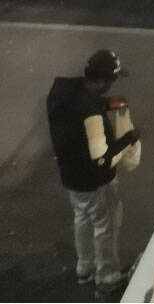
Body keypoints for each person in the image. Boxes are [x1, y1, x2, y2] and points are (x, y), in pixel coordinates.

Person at [46, 50, 140, 297]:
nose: (112, 85)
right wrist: (129, 139)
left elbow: (79, 108)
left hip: (71, 177)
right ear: (103, 80)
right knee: (104, 226)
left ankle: (84, 268)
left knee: (82, 218)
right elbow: (102, 161)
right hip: (94, 182)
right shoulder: (91, 115)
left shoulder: (62, 90)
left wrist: (106, 104)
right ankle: (107, 277)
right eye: (112, 80)